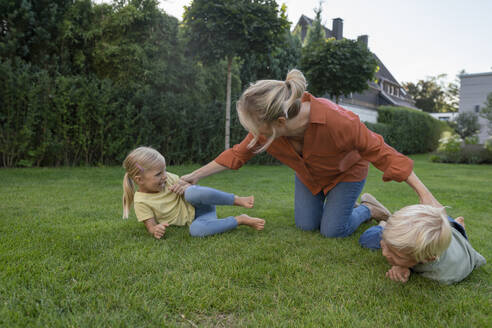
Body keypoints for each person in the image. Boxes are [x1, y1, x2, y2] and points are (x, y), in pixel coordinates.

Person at [170, 69, 442, 238]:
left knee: (332, 232)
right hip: (309, 177)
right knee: (305, 227)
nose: (254, 133)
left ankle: (368, 209)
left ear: (279, 123)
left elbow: (381, 151)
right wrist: (194, 175)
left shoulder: (340, 121)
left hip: (345, 175)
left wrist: (423, 192)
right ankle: (344, 209)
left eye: (256, 127)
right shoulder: (269, 129)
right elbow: (236, 155)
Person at [122, 147, 265, 239]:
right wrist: (155, 230)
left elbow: (193, 189)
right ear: (139, 180)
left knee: (190, 193)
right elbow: (150, 225)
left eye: (165, 170)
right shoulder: (141, 201)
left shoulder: (168, 179)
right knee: (195, 231)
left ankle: (236, 199)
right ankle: (240, 219)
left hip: (201, 204)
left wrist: (184, 187)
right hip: (200, 219)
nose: (165, 176)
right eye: (159, 174)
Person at [359, 200, 486, 284]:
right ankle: (457, 225)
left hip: (456, 238)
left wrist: (403, 267)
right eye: (384, 243)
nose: (385, 253)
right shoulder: (426, 248)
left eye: (396, 255)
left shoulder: (441, 275)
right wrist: (402, 263)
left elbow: (473, 257)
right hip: (452, 231)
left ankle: (383, 222)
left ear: (428, 259)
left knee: (368, 240)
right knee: (438, 223)